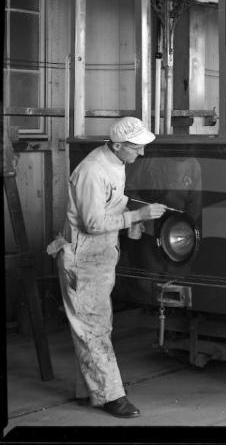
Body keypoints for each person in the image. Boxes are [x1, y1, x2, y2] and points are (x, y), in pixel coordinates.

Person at [46, 117, 166, 418]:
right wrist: (137, 216)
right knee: (93, 329)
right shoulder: (91, 170)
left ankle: (89, 390)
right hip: (83, 257)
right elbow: (93, 223)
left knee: (94, 325)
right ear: (117, 145)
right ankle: (113, 396)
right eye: (136, 149)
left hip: (99, 256)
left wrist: (130, 211)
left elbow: (110, 202)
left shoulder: (115, 162)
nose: (140, 155)